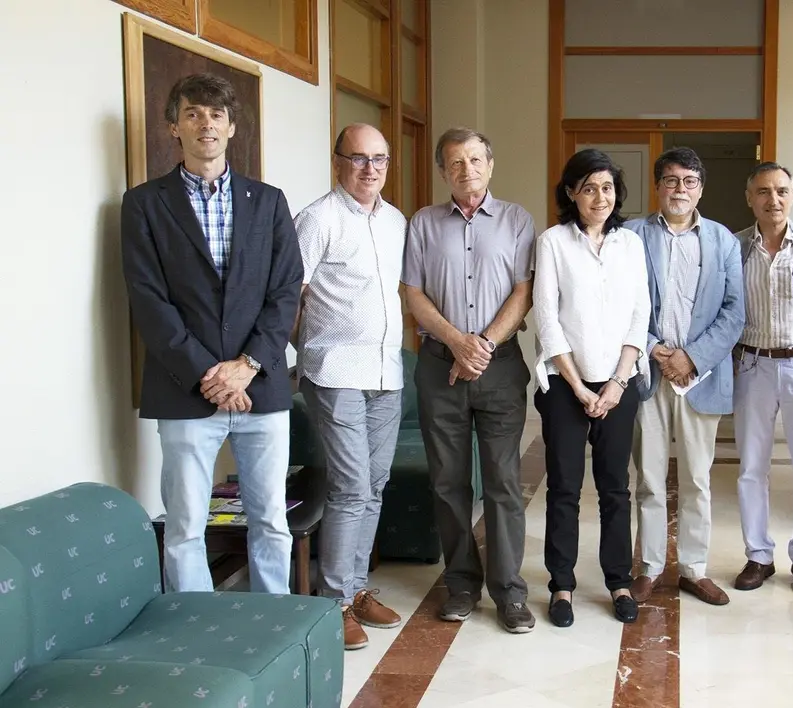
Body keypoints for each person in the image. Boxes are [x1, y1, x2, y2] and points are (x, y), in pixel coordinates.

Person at [121, 73, 303, 595]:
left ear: (232, 128)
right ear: (173, 126)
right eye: (194, 114)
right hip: (184, 390)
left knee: (270, 519)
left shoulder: (268, 201)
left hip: (261, 387)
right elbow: (148, 300)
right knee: (183, 528)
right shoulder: (144, 204)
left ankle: (272, 625)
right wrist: (209, 374)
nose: (206, 124)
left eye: (217, 115)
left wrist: (246, 367)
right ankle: (196, 631)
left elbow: (286, 289)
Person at [402, 127, 536, 634]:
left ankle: (509, 592)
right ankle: (461, 583)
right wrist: (458, 343)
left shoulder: (517, 220)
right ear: (443, 171)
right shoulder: (423, 223)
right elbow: (413, 293)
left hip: (499, 369)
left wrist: (479, 347)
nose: (467, 170)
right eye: (456, 162)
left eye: (476, 159)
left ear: (491, 164)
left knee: (502, 482)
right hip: (440, 368)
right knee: (449, 482)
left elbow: (524, 291)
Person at [293, 123, 406, 651]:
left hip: (386, 371)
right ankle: (333, 601)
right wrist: (305, 351)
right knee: (351, 487)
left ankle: (357, 589)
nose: (370, 169)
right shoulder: (317, 219)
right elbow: (287, 294)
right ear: (338, 161)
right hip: (335, 371)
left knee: (376, 484)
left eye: (379, 159)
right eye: (358, 158)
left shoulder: (395, 221)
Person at [533, 148, 649, 627]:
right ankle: (561, 585)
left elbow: (640, 314)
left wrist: (618, 383)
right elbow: (545, 317)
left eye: (607, 187)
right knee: (562, 487)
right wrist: (580, 388)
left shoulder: (631, 244)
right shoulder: (553, 242)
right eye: (588, 188)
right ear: (571, 193)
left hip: (618, 383)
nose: (599, 196)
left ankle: (618, 580)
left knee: (614, 488)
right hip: (565, 383)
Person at [627, 147, 744, 607]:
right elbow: (619, 302)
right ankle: (651, 567)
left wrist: (691, 358)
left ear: (701, 189)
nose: (680, 189)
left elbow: (735, 313)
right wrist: (657, 348)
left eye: (689, 182)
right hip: (649, 374)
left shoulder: (723, 241)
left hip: (701, 376)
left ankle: (694, 568)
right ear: (658, 186)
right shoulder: (631, 235)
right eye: (672, 180)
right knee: (650, 478)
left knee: (697, 479)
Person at [732, 162, 793, 595]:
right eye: (764, 192)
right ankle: (759, 556)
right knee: (752, 467)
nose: (775, 200)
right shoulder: (736, 248)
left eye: (783, 191)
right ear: (750, 197)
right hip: (753, 364)